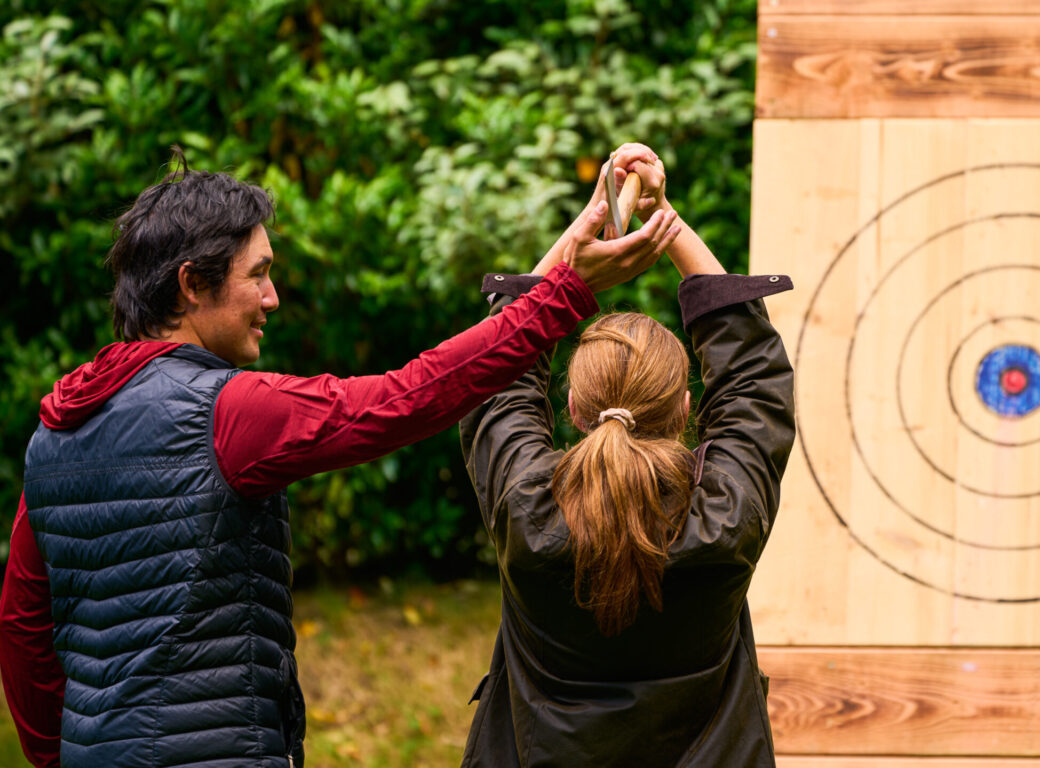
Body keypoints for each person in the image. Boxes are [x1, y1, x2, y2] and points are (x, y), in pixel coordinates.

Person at [0, 147, 680, 768]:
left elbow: (23, 628)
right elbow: (409, 397)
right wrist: (567, 295)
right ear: (190, 285)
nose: (272, 297)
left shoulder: (56, 434)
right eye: (258, 275)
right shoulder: (227, 414)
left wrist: (56, 756)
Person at [459, 144, 795, 766]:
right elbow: (754, 373)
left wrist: (585, 236)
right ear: (688, 412)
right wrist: (663, 219)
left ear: (575, 414)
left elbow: (495, 369)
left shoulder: (531, 516)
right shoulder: (723, 520)